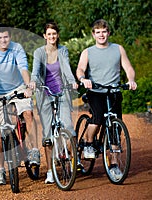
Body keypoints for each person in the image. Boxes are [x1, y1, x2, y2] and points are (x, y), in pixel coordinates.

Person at [0, 24, 39, 185]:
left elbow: (23, 67)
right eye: (0, 38)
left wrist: (28, 86)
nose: (3, 40)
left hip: (18, 88)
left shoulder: (17, 48)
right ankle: (1, 169)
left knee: (28, 113)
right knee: (1, 131)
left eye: (6, 37)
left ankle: (34, 151)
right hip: (0, 93)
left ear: (10, 37)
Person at [76, 19, 137, 179]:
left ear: (108, 33)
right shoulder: (88, 52)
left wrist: (131, 80)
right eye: (98, 32)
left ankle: (115, 165)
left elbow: (128, 67)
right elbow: (80, 68)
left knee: (115, 129)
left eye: (104, 31)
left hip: (114, 91)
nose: (101, 34)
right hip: (95, 90)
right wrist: (83, 79)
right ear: (93, 34)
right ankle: (88, 143)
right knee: (97, 118)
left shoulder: (118, 49)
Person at [29, 21, 78, 184]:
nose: (52, 37)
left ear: (57, 35)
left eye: (54, 34)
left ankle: (72, 160)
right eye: (49, 34)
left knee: (68, 128)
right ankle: (50, 171)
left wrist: (72, 82)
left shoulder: (62, 50)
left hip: (62, 91)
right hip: (44, 92)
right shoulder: (39, 52)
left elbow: (67, 68)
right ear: (44, 36)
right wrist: (33, 82)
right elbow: (36, 71)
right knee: (48, 135)